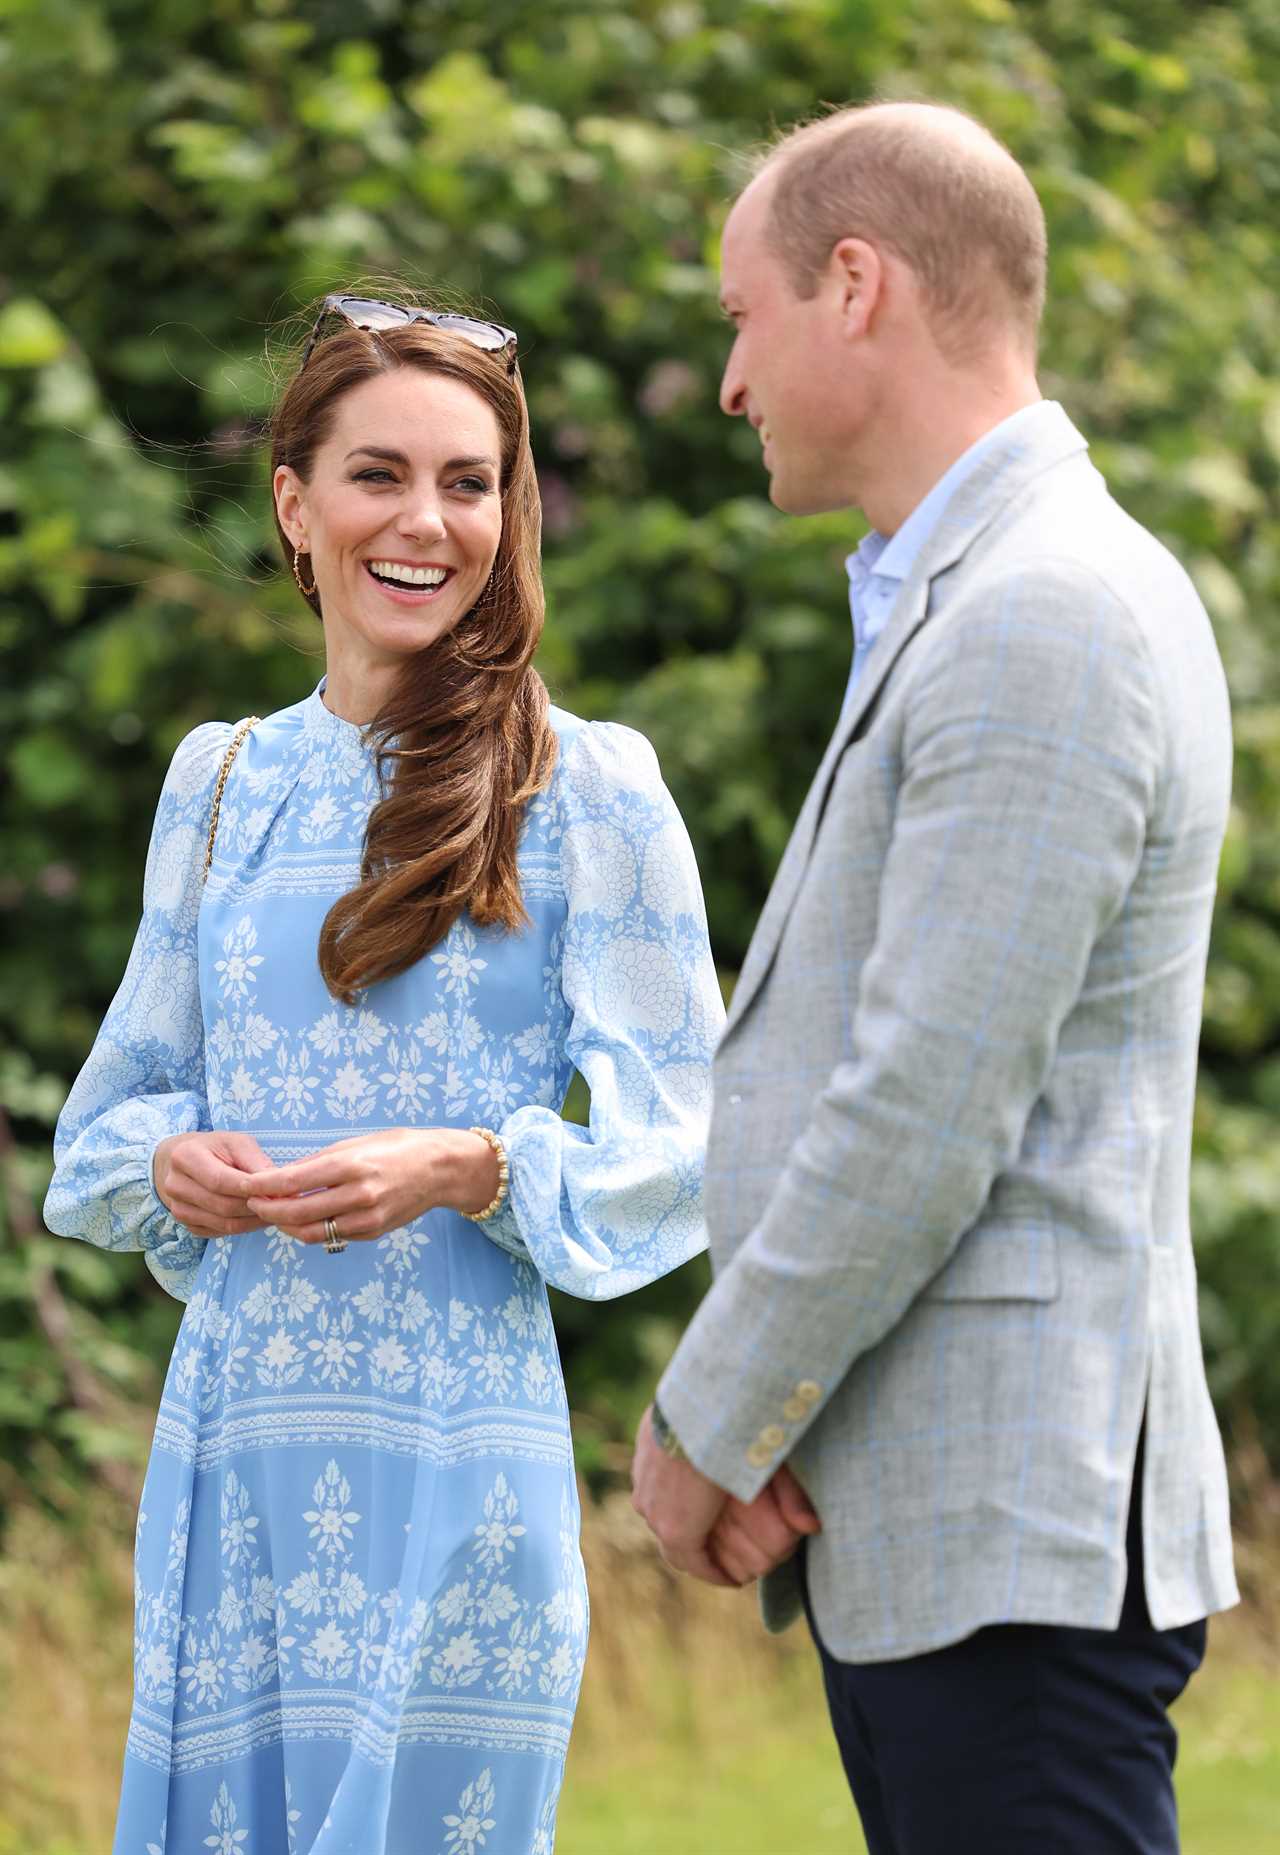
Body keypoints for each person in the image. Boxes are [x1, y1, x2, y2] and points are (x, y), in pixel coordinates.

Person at [631, 101, 1238, 1852]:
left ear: (854, 284)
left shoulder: (1042, 608)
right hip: (946, 1535)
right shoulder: (965, 595)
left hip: (1016, 1555)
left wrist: (710, 1420)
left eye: (740, 319)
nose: (732, 383)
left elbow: (921, 1099)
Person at [44, 293, 724, 1855]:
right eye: (379, 476)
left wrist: (476, 1165)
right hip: (240, 1458)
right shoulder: (216, 781)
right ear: (295, 506)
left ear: (511, 509)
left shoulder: (589, 788)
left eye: (470, 482)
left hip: (454, 1462)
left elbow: (693, 1141)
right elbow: (100, 1132)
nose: (427, 522)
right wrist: (167, 1167)